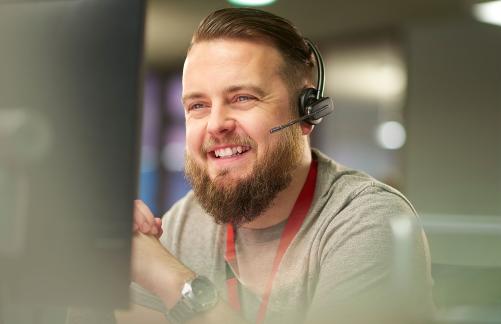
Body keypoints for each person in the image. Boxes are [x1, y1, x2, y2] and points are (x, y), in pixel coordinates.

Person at [70, 7, 434, 324]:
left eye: (242, 98)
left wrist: (170, 279)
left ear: (306, 112)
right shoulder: (185, 222)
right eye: (197, 105)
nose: (215, 124)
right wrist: (98, 255)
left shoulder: (368, 221)